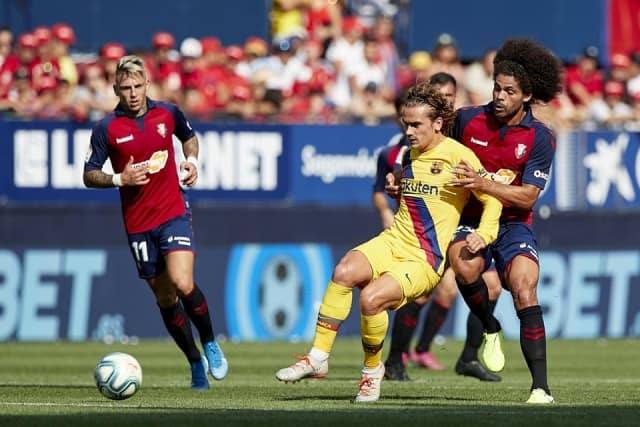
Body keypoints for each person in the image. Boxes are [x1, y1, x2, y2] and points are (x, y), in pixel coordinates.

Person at [275, 81, 503, 403]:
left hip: (424, 259)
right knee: (343, 271)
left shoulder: (459, 156)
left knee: (371, 300)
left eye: (415, 125)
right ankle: (317, 357)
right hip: (393, 241)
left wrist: (486, 233)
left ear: (438, 124)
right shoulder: (408, 155)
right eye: (405, 124)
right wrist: (397, 188)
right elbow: (412, 191)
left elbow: (492, 199)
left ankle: (371, 373)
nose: (408, 131)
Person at [83, 55, 228, 390]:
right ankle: (194, 362)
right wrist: (120, 178)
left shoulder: (168, 113)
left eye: (137, 86)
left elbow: (188, 136)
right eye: (125, 88)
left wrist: (191, 161)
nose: (133, 93)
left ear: (147, 84)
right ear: (116, 89)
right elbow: (89, 174)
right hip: (138, 225)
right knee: (165, 298)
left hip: (172, 213)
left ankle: (209, 342)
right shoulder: (107, 128)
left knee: (182, 282)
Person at [446, 38, 563, 404]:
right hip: (470, 216)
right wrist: (402, 175)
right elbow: (430, 150)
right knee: (463, 264)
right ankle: (490, 325)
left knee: (525, 288)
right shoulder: (466, 119)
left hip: (514, 224)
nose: (499, 96)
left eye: (508, 91)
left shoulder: (539, 137)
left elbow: (528, 196)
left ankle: (540, 388)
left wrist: (483, 183)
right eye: (496, 87)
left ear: (526, 96)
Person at [379, 73, 502, 382]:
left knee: (487, 286)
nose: (446, 101)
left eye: (450, 96)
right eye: (439, 96)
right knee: (421, 294)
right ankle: (397, 358)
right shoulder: (412, 142)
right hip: (429, 228)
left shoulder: (464, 137)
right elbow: (399, 177)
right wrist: (394, 189)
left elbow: (486, 182)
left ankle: (463, 355)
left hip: (467, 220)